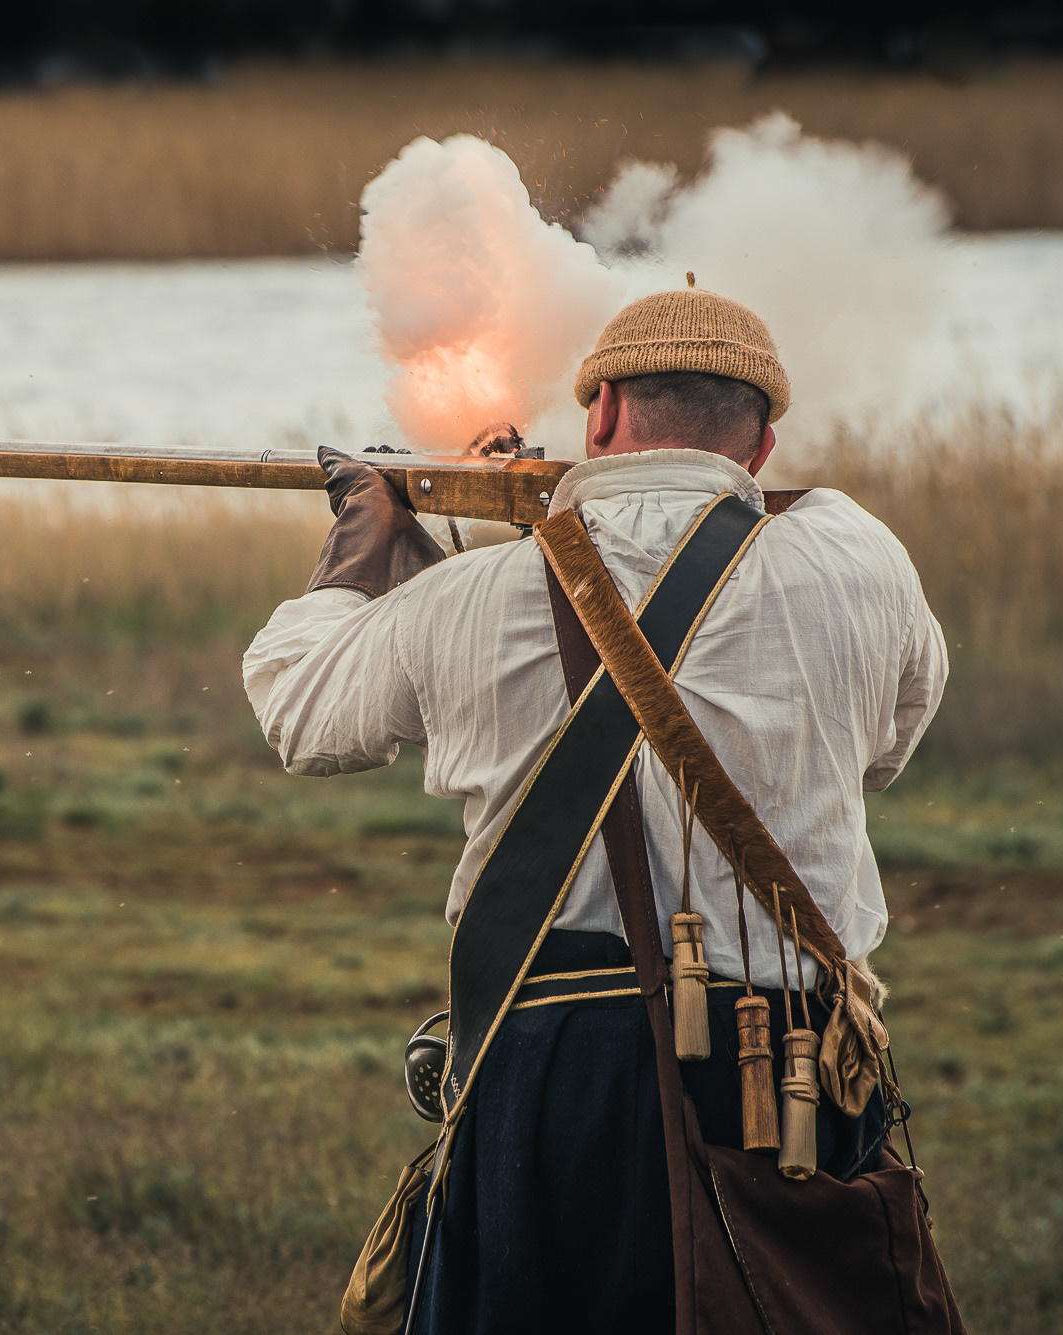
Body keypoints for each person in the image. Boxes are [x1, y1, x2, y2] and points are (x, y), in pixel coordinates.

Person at [242, 285, 948, 1333]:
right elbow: (882, 751)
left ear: (601, 413)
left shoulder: (473, 599)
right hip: (788, 1052)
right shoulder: (857, 553)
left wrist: (363, 539)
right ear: (758, 446)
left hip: (556, 1065)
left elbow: (298, 709)